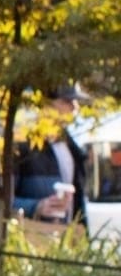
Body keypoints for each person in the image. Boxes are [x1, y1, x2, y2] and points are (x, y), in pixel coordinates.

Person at [14, 85, 91, 224]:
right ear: (45, 104)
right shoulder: (21, 144)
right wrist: (35, 207)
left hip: (65, 239)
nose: (75, 107)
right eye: (67, 101)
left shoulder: (71, 147)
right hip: (31, 238)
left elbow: (79, 206)